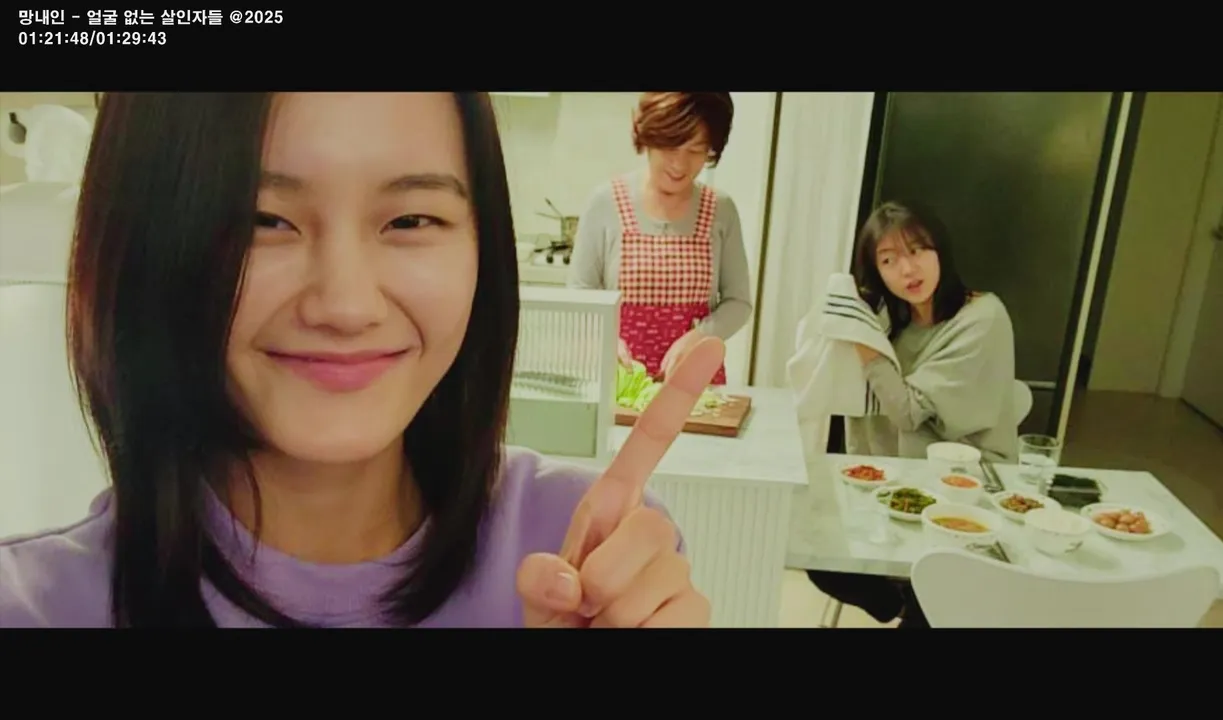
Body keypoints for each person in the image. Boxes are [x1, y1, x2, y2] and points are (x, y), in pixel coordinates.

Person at [0, 92, 722, 628]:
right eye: (262, 220)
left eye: (411, 219)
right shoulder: (36, 609)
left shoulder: (592, 559)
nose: (345, 306)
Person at [808, 200, 1017, 628]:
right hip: (896, 484)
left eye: (917, 250)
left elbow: (907, 412)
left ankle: (924, 604)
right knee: (818, 554)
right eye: (888, 260)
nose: (907, 269)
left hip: (966, 490)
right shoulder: (893, 323)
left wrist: (860, 338)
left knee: (935, 587)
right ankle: (908, 602)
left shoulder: (982, 317)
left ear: (940, 249)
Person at [568, 92, 752, 385]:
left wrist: (700, 336)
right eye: (670, 147)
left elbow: (738, 303)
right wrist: (605, 341)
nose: (680, 165)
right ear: (648, 138)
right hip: (617, 382)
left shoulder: (721, 209)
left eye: (696, 150)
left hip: (695, 383)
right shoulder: (605, 203)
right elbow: (580, 293)